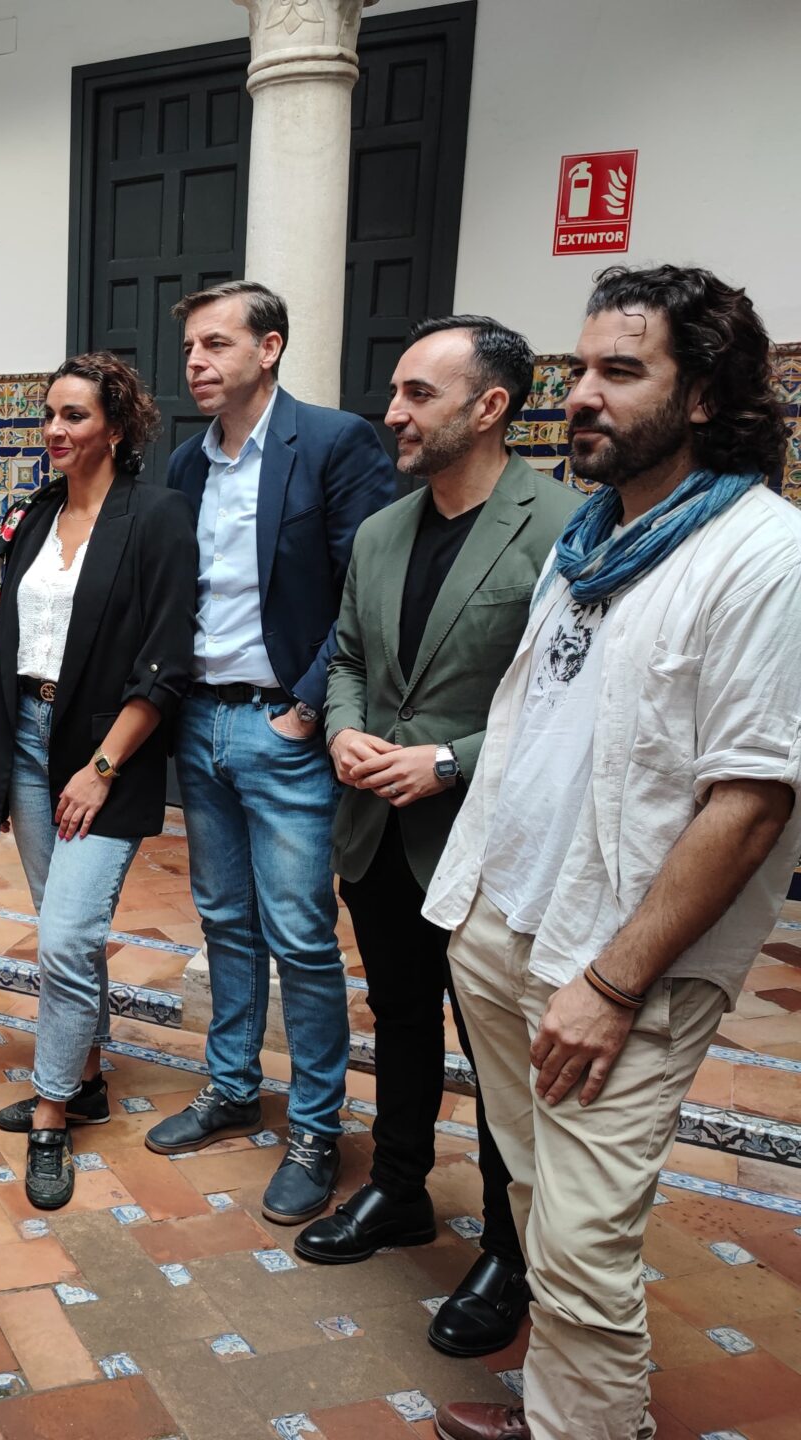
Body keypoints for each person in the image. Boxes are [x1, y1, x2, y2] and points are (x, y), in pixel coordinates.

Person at [426, 266, 801, 1440]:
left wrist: (612, 982)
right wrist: (478, 915)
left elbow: (750, 800)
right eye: (579, 368)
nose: (579, 394)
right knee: (542, 1200)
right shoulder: (591, 535)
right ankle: (565, 1417)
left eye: (619, 372)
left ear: (703, 397)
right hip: (503, 915)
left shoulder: (762, 555)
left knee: (584, 1241)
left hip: (613, 961)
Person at [295, 316, 581, 1360]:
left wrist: (447, 761)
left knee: (496, 1050)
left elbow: (568, 698)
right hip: (378, 827)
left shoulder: (564, 527)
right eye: (396, 392)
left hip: (492, 840)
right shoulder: (381, 529)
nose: (393, 413)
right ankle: (402, 1191)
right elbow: (348, 660)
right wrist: (346, 732)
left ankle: (513, 1250)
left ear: (489, 407)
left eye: (418, 394)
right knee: (403, 1016)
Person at [145, 281, 395, 1226]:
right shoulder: (186, 464)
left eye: (217, 345)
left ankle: (318, 1126)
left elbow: (363, 586)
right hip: (200, 723)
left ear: (271, 348)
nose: (198, 363)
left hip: (281, 726)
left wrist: (308, 706)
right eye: (191, 349)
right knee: (223, 919)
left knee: (299, 932)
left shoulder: (331, 443)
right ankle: (231, 1084)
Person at [0, 352, 196, 1211]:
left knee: (68, 937)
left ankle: (54, 1113)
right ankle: (92, 1072)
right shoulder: (31, 516)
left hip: (102, 751)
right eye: (49, 416)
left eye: (74, 417)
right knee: (61, 926)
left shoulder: (157, 517)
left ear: (116, 426)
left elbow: (168, 661)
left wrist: (102, 767)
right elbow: (4, 631)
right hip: (29, 743)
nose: (56, 432)